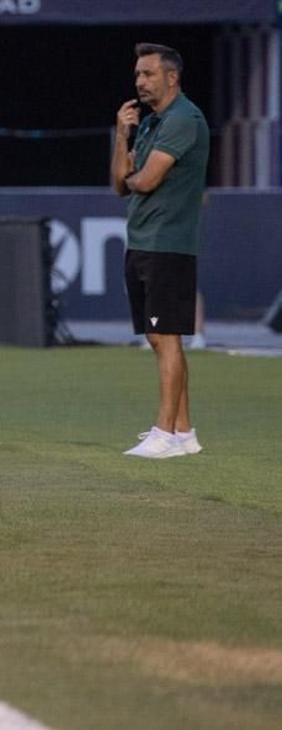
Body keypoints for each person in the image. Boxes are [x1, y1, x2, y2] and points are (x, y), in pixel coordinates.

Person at [112, 42, 210, 459]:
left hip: (168, 243)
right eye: (137, 75)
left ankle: (165, 434)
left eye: (148, 74)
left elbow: (145, 181)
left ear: (172, 77)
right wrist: (122, 136)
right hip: (143, 239)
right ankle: (184, 433)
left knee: (165, 338)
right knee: (159, 337)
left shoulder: (184, 119)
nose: (140, 82)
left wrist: (134, 175)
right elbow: (120, 183)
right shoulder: (152, 124)